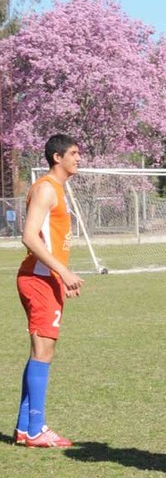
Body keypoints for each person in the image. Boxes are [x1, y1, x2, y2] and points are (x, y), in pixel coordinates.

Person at [14, 134, 84, 448]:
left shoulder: (58, 190)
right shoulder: (45, 188)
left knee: (42, 352)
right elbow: (29, 236)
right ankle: (36, 429)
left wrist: (60, 277)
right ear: (57, 157)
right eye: (73, 153)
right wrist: (62, 271)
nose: (78, 158)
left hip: (48, 279)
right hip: (39, 279)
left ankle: (25, 427)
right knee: (43, 351)